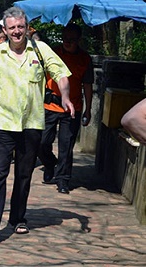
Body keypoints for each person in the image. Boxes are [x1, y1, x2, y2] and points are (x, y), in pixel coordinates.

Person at [0, 6, 74, 238]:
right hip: (1, 124)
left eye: (20, 27)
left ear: (27, 28)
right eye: (12, 28)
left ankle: (18, 218)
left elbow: (61, 74)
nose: (17, 31)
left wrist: (65, 97)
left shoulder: (40, 50)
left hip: (31, 124)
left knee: (24, 175)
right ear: (4, 30)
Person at [38, 23, 94, 194]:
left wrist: (88, 109)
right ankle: (49, 164)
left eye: (72, 40)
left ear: (79, 40)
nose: (67, 42)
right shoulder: (53, 53)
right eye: (65, 39)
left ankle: (63, 179)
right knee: (41, 142)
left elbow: (88, 86)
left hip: (72, 108)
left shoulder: (85, 59)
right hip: (50, 105)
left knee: (66, 146)